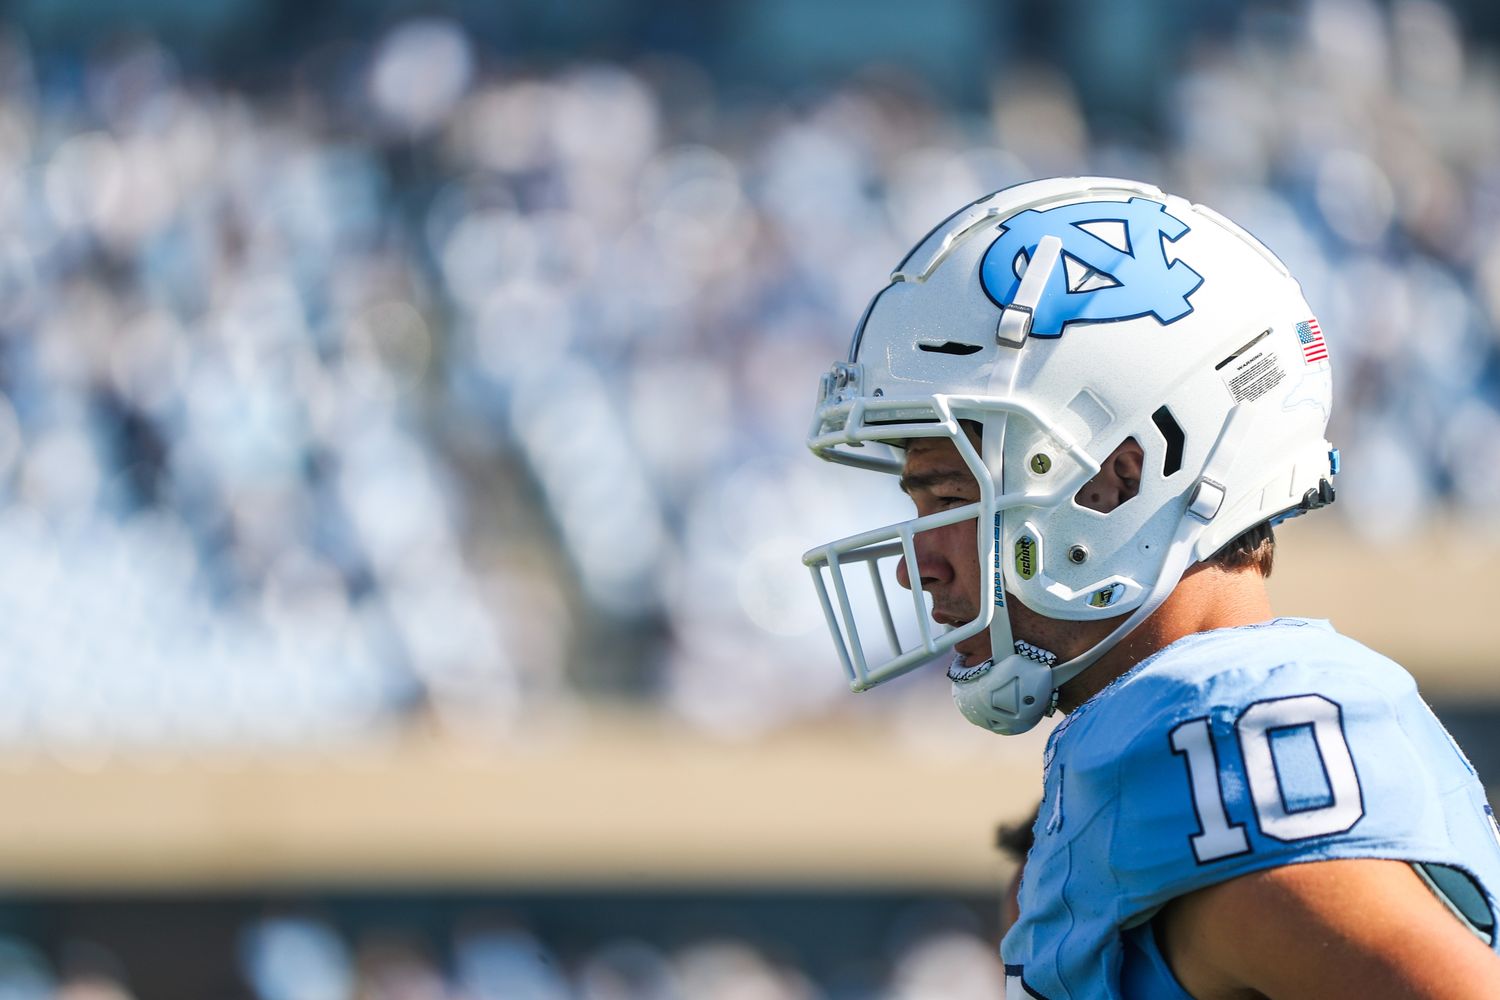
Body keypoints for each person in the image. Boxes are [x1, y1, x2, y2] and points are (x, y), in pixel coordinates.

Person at [800, 177, 1500, 998]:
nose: (914, 563)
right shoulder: (1170, 725)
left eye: (951, 497)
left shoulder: (1218, 748)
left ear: (1116, 481)